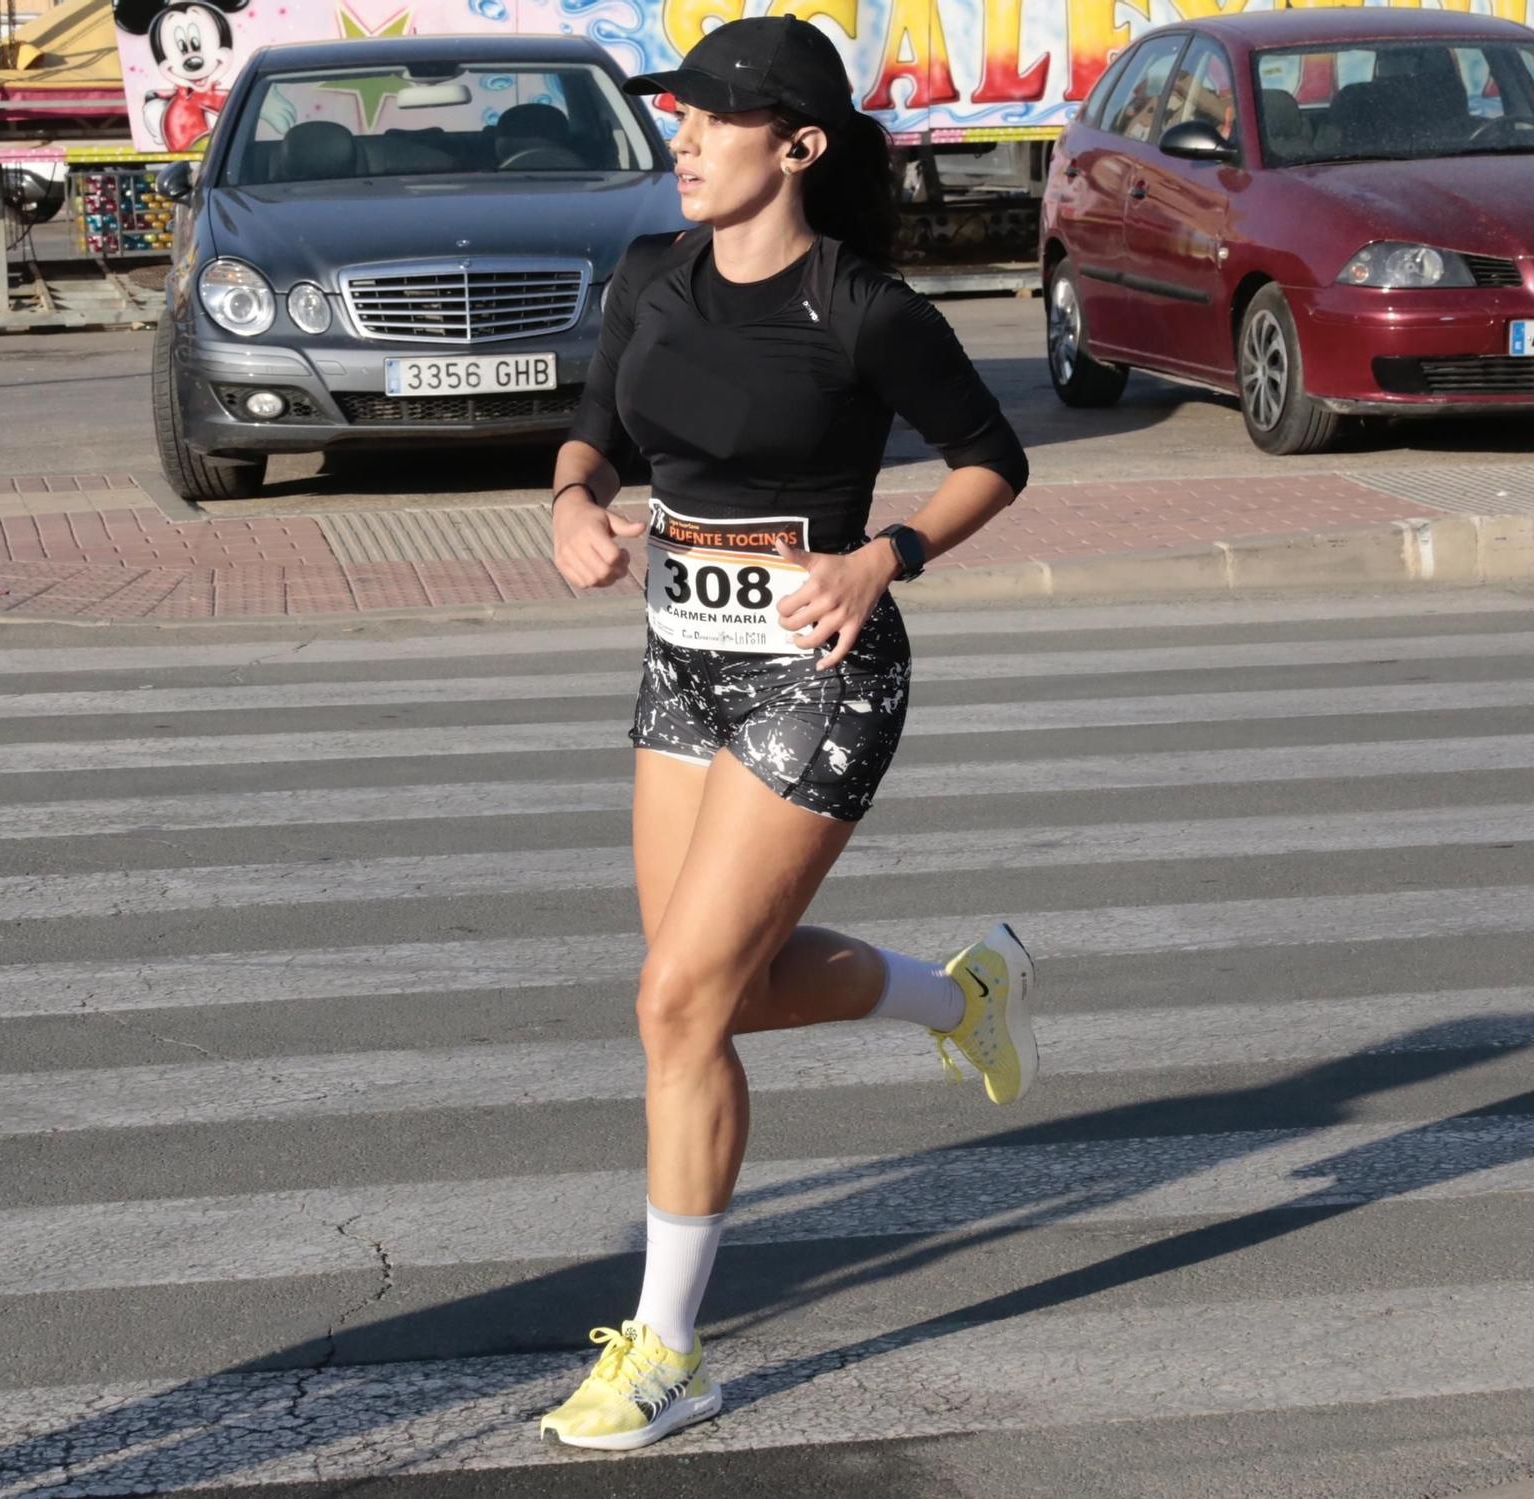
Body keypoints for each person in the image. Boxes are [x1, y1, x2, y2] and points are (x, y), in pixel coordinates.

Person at [537, 15, 1037, 1453]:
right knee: (717, 997)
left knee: (675, 1004)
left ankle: (671, 1349)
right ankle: (965, 999)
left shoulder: (861, 308)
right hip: (682, 663)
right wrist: (573, 501)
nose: (680, 141)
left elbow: (990, 460)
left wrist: (884, 555)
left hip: (823, 670)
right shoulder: (649, 277)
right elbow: (593, 431)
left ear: (798, 145)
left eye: (709, 119)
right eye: (676, 118)